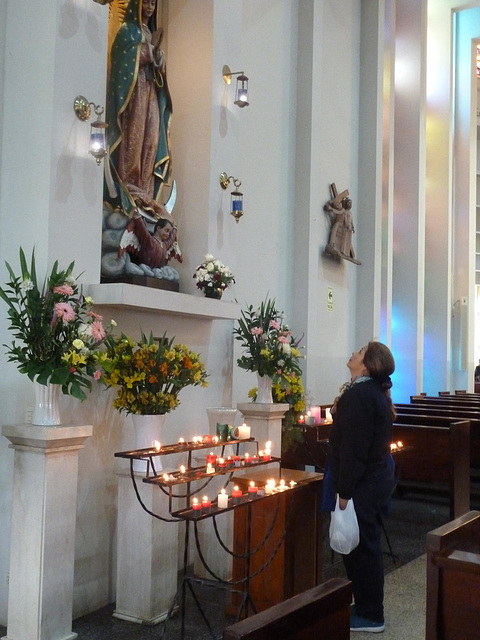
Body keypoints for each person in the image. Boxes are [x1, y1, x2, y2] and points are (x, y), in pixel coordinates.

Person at [328, 341, 396, 633]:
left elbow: (355, 449)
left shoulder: (361, 395)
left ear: (366, 365)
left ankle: (371, 615)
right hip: (373, 478)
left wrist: (344, 492)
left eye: (359, 352)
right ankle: (366, 604)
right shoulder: (368, 393)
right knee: (362, 544)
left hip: (363, 481)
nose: (353, 353)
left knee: (362, 548)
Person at [106, 0, 173, 221]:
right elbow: (121, 58)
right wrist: (146, 52)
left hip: (151, 92)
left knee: (152, 140)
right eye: (147, 2)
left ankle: (145, 191)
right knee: (134, 138)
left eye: (154, 3)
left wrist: (160, 61)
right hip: (134, 95)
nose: (151, 7)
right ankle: (130, 186)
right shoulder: (128, 31)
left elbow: (159, 71)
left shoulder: (149, 32)